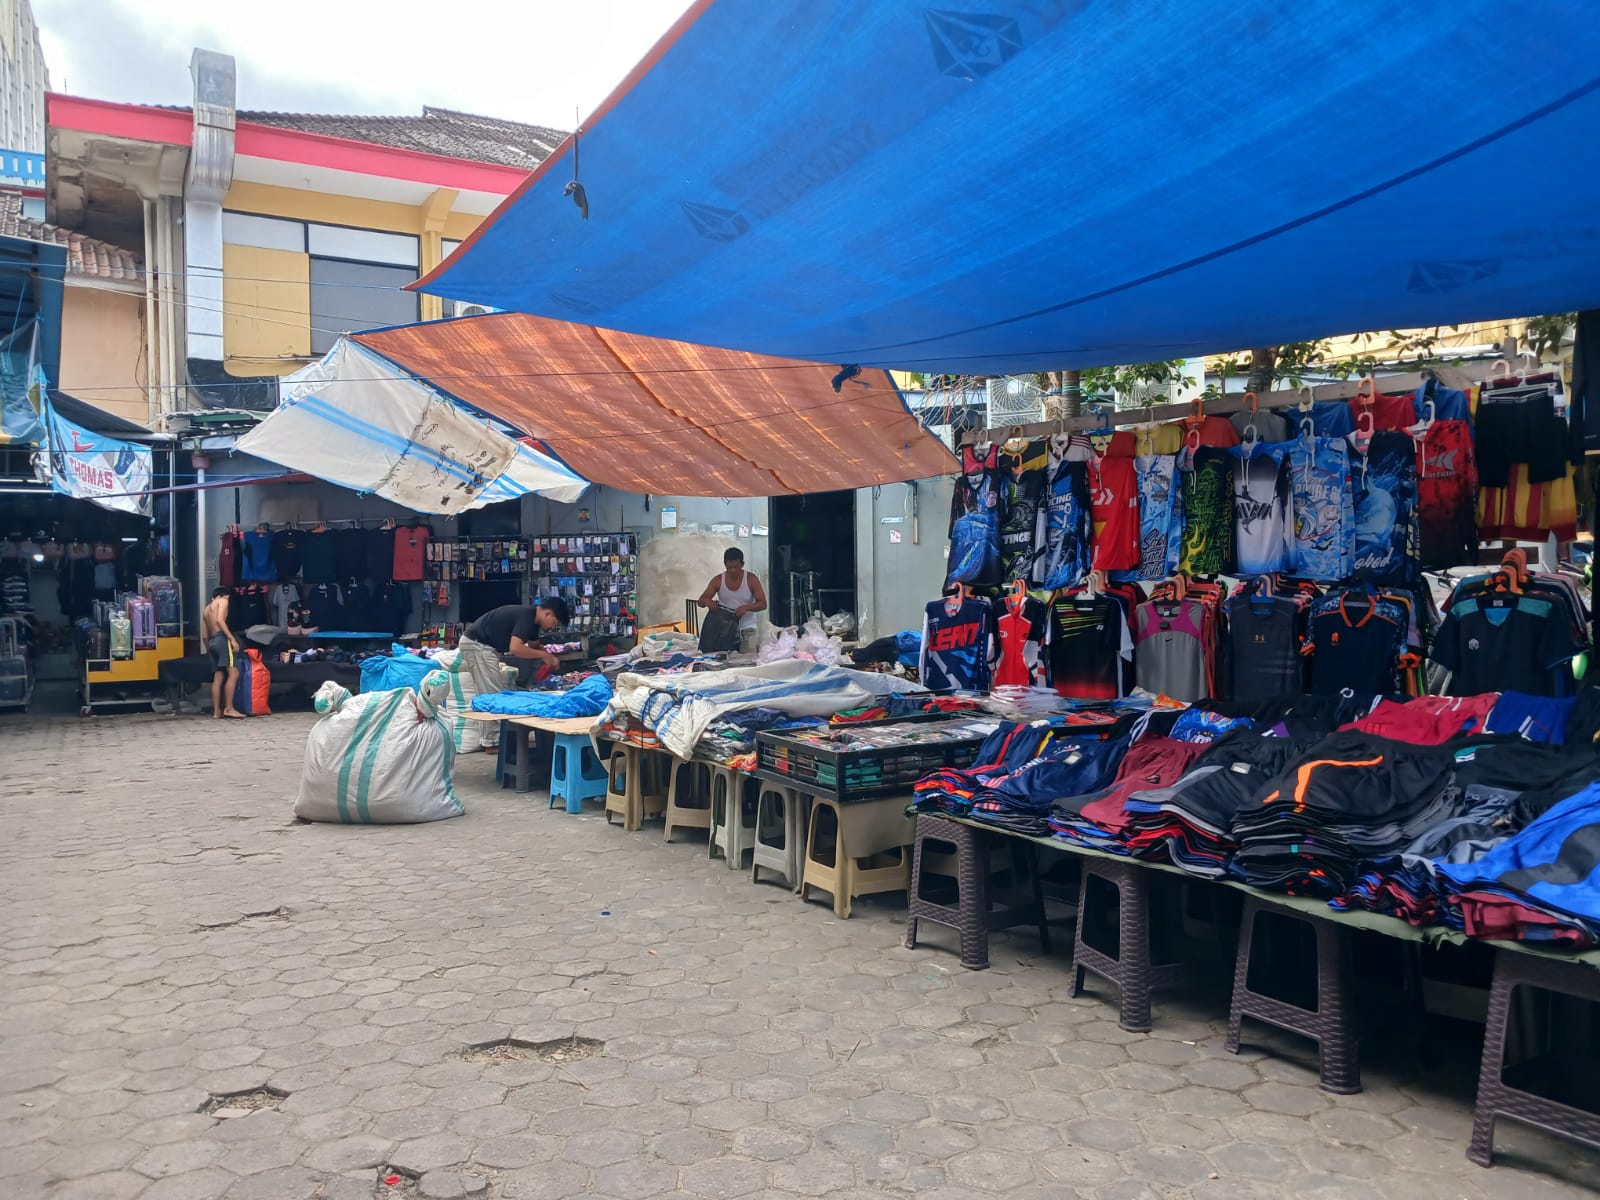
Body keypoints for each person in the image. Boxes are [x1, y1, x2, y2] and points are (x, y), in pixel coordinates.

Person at [454, 599, 571, 748]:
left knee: (489, 691)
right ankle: (492, 742)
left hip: (483, 646)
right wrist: (543, 656)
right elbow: (516, 648)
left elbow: (534, 645)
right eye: (554, 623)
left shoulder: (533, 622)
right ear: (548, 613)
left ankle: (493, 738)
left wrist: (550, 657)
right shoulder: (527, 617)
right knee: (492, 693)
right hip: (478, 645)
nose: (551, 627)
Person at [697, 548, 766, 654]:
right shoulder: (718, 580)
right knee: (722, 660)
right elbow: (700, 601)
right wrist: (707, 602)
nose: (733, 570)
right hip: (724, 630)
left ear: (742, 564)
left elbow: (763, 604)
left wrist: (746, 607)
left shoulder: (751, 579)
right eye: (730, 568)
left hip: (748, 629)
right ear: (725, 564)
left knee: (749, 659)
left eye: (736, 567)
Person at [202, 587, 245, 720]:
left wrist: (210, 652)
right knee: (234, 672)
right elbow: (220, 620)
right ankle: (229, 708)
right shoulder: (223, 601)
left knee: (219, 675)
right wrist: (232, 639)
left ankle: (216, 712)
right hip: (221, 639)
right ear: (223, 595)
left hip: (212, 641)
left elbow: (204, 635)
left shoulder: (206, 609)